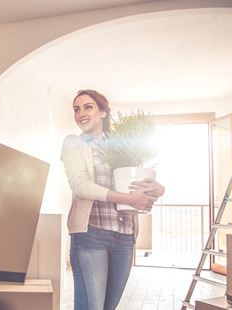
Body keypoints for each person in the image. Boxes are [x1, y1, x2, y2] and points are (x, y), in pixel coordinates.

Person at [60, 90, 165, 310]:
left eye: (88, 107)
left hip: (125, 237)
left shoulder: (121, 147)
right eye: (76, 109)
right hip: (91, 234)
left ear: (104, 113)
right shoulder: (74, 143)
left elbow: (139, 180)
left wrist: (159, 188)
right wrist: (129, 198)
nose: (81, 113)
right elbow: (80, 186)